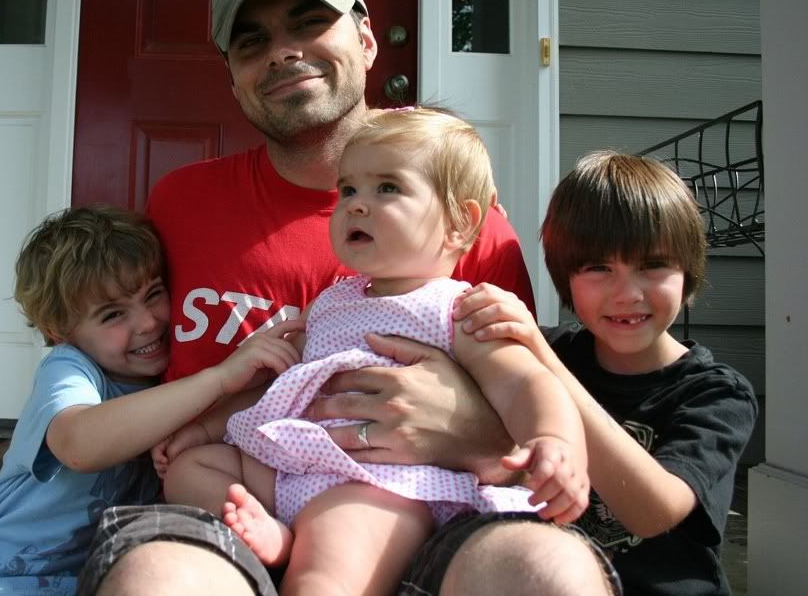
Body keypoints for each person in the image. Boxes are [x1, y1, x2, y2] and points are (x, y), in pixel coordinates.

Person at [0, 0, 619, 596]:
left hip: (404, 501)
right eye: (251, 42)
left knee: (545, 574)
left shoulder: (465, 227)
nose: (283, 53)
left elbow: (530, 393)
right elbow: (106, 360)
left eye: (308, 22)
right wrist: (6, 470)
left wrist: (487, 439)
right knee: (156, 584)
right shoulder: (181, 203)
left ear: (367, 38)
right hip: (229, 502)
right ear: (232, 78)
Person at [155, 107, 590, 594]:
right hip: (288, 466)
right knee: (192, 473)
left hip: (377, 485)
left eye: (387, 188)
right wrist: (205, 429)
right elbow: (278, 381)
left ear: (459, 223)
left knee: (325, 576)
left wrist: (556, 442)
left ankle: (299, 551)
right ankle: (279, 534)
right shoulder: (332, 300)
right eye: (348, 190)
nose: (356, 205)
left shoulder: (457, 309)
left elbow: (525, 383)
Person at [0, 205, 303, 594]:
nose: (147, 322)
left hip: (80, 581)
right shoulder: (69, 368)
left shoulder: (165, 382)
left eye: (154, 294)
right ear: (59, 330)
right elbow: (79, 444)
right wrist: (221, 378)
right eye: (112, 315)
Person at [457, 151, 759, 594]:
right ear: (566, 277)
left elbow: (653, 512)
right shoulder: (552, 351)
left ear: (687, 269)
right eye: (598, 268)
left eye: (652, 265)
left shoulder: (716, 394)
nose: (627, 294)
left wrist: (543, 362)